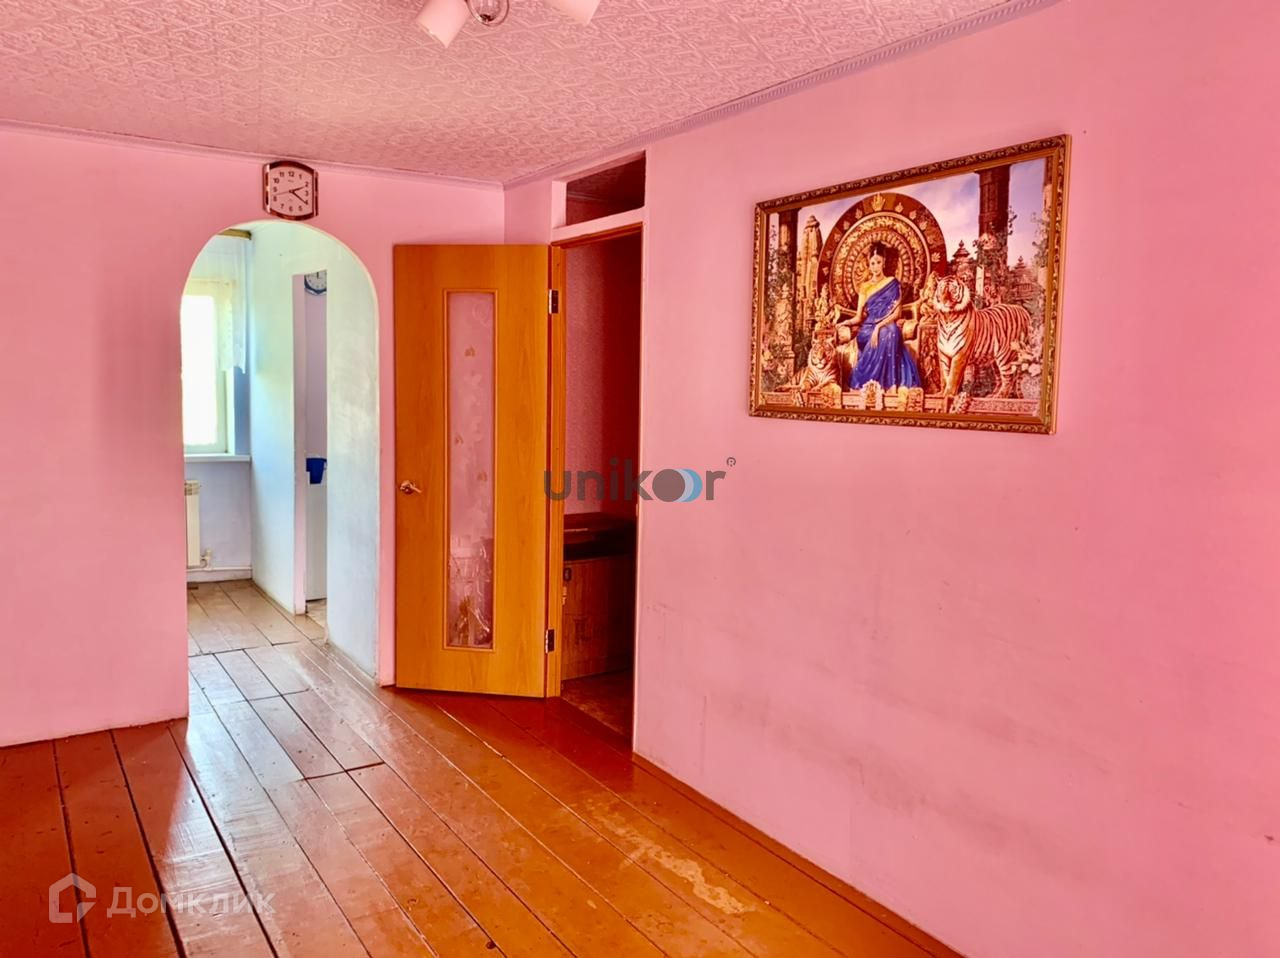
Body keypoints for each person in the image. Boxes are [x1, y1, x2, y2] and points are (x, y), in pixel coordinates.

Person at [838, 245, 922, 392]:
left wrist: (879, 326)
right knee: (888, 331)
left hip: (885, 325)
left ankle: (891, 385)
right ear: (869, 265)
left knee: (891, 330)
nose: (875, 267)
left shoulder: (893, 283)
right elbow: (858, 317)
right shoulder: (864, 287)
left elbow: (897, 314)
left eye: (878, 262)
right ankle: (874, 384)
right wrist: (844, 322)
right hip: (867, 329)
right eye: (872, 263)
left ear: (883, 263)